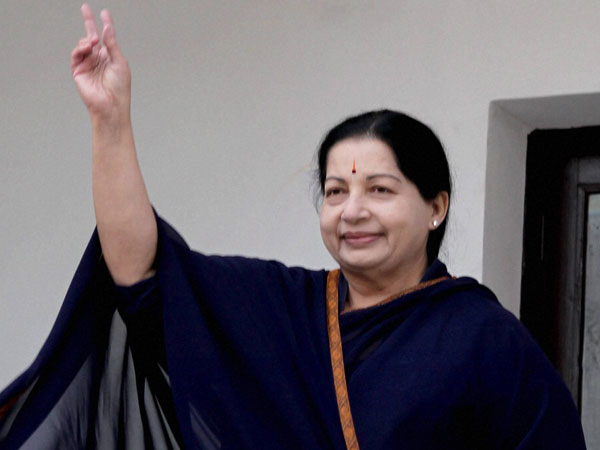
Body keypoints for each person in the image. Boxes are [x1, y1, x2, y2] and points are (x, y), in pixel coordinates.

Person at [0, 4, 587, 450]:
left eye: (380, 190)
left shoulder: (485, 340)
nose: (352, 211)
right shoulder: (280, 311)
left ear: (436, 206)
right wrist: (110, 122)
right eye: (335, 191)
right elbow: (141, 273)